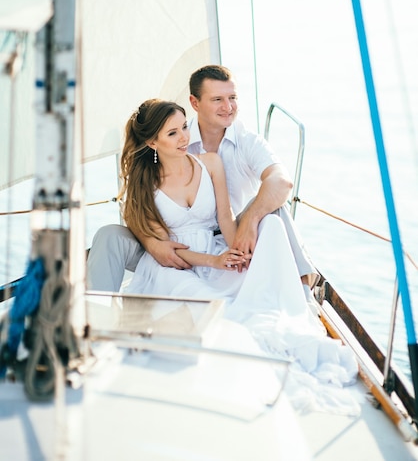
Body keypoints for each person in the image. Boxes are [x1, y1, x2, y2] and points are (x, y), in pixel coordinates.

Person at [120, 98, 359, 415]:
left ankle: (295, 295)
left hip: (215, 250)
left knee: (271, 227)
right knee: (220, 311)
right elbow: (167, 253)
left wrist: (237, 252)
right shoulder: (144, 184)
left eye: (184, 128)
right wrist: (214, 263)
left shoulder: (210, 163)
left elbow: (224, 219)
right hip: (177, 265)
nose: (184, 139)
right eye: (172, 134)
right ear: (152, 142)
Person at [87, 65, 318, 297]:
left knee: (276, 211)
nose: (228, 107)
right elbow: (137, 210)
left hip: (227, 236)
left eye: (232, 97)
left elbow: (280, 182)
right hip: (171, 247)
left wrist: (249, 222)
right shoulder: (162, 149)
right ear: (195, 103)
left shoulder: (244, 144)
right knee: (109, 235)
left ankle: (303, 291)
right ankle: (95, 312)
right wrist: (152, 243)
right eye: (217, 99)